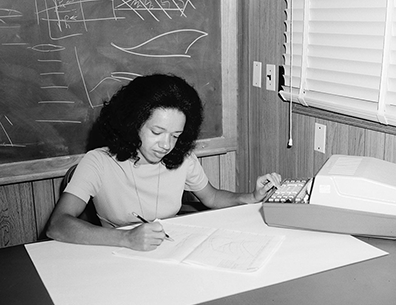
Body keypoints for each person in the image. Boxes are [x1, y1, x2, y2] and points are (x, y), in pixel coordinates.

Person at [46, 74, 281, 251]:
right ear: (133, 123)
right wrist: (126, 239)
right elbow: (58, 224)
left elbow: (213, 197)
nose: (166, 145)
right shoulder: (98, 162)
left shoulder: (182, 159)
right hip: (116, 255)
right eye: (157, 131)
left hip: (171, 252)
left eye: (175, 135)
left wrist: (251, 197)